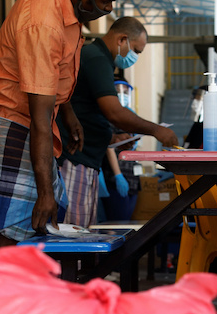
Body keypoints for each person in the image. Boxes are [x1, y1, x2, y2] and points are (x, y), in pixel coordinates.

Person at [0, 0, 130, 244]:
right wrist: (45, 193)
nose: (110, 9)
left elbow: (52, 71)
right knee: (14, 222)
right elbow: (40, 119)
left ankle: (28, 287)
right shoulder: (44, 24)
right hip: (9, 117)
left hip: (29, 118)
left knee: (37, 217)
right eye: (106, 1)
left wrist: (68, 114)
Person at [57, 16, 178, 227]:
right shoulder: (96, 58)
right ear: (122, 40)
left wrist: (113, 139)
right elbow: (114, 113)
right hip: (76, 156)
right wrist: (156, 130)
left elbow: (87, 112)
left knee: (82, 229)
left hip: (87, 157)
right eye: (136, 51)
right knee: (73, 233)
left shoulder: (98, 59)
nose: (135, 57)